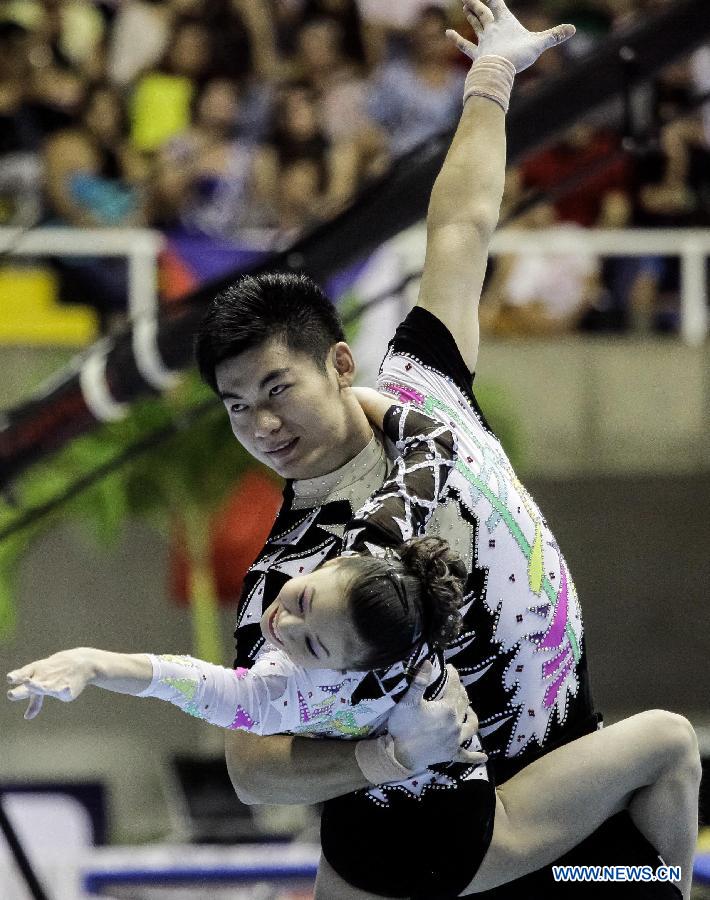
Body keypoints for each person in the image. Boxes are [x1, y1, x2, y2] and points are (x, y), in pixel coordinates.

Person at [192, 1, 692, 897]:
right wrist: (385, 756)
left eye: (276, 390)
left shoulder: (426, 380)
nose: (262, 425)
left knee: (643, 848)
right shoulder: (300, 569)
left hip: (570, 771)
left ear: (338, 364)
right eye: (236, 408)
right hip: (464, 828)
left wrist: (491, 81)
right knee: (665, 756)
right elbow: (253, 766)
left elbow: (460, 228)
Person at [7, 394, 700, 898]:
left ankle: (653, 885)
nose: (283, 627)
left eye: (312, 643)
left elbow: (194, 683)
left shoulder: (302, 684)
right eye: (302, 604)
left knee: (668, 746)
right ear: (335, 562)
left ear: (353, 671)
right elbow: (429, 448)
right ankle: (649, 879)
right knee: (662, 750)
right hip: (431, 842)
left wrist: (100, 666)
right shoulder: (377, 556)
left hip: (464, 845)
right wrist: (357, 401)